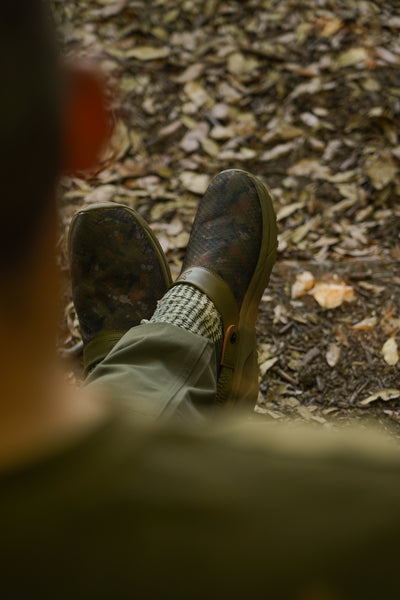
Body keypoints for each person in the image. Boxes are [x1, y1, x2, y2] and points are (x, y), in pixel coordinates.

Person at [1, 2, 400, 598]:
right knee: (135, 401)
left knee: (127, 388)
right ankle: (186, 338)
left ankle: (141, 354)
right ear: (83, 123)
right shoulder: (367, 523)